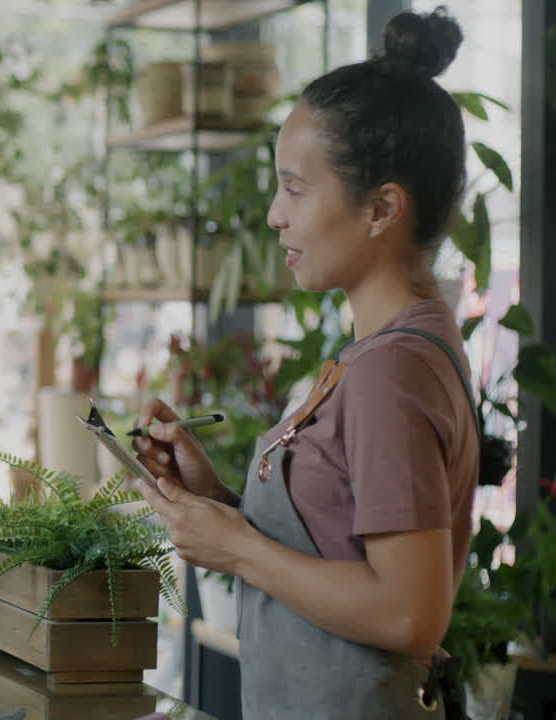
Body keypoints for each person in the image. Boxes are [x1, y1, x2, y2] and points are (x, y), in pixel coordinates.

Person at [130, 7, 479, 719]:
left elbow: (411, 614)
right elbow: (335, 547)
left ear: (381, 207)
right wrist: (215, 497)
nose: (273, 216)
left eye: (294, 188)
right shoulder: (390, 350)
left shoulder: (392, 372)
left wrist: (237, 550)